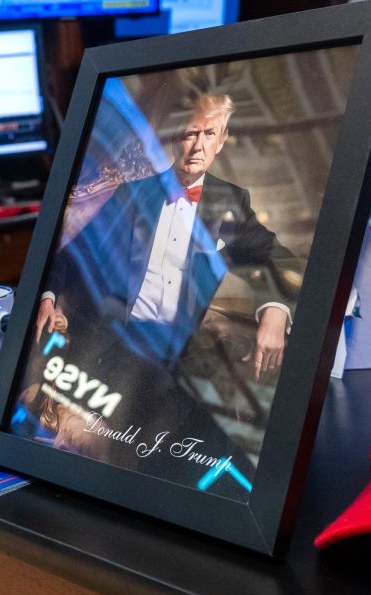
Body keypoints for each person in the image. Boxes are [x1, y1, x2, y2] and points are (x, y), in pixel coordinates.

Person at [35, 93, 298, 380]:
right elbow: (76, 254)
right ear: (174, 137)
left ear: (221, 141)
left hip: (184, 354)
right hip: (116, 340)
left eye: (209, 134)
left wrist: (276, 309)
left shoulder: (230, 202)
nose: (198, 146)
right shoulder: (133, 193)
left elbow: (278, 259)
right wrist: (47, 298)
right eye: (190, 134)